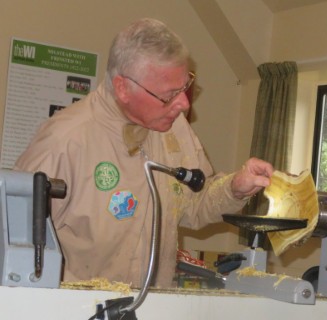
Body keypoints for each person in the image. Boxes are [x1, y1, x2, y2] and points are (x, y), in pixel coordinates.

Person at [14, 18, 273, 288]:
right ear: (124, 88)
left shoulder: (175, 129)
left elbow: (195, 204)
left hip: (150, 306)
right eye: (169, 95)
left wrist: (234, 188)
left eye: (185, 88)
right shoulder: (64, 141)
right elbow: (16, 245)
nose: (183, 105)